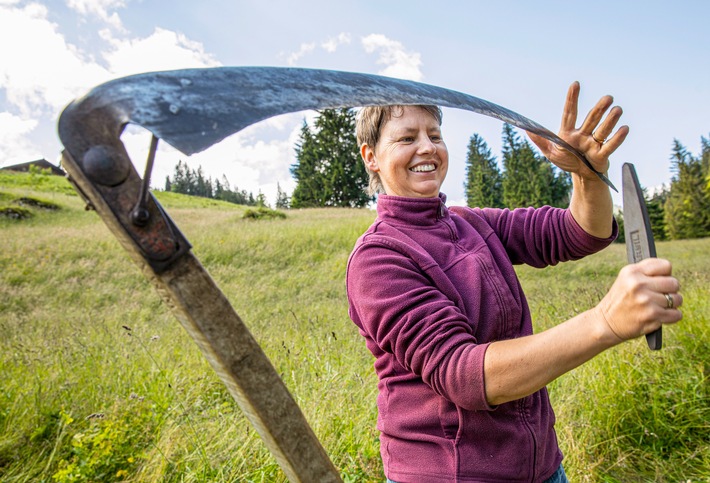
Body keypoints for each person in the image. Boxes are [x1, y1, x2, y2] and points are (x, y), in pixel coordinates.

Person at [345, 82, 683, 482]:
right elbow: (464, 374)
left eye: (434, 135)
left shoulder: (471, 223)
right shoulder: (378, 258)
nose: (427, 148)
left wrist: (588, 176)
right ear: (372, 157)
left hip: (540, 468)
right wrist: (605, 322)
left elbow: (579, 232)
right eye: (406, 137)